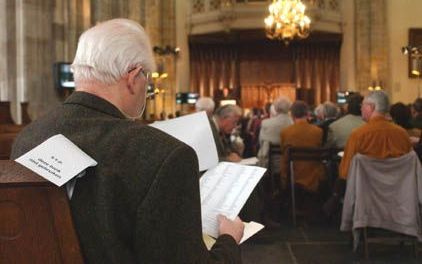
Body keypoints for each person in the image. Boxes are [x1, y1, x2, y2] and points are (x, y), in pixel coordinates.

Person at [11, 19, 244, 263]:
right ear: (133, 77)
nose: (147, 89)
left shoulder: (27, 138)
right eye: (148, 80)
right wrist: (229, 240)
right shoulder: (166, 155)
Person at [324, 91, 413, 217]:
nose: (361, 108)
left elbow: (345, 173)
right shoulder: (403, 135)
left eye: (363, 105)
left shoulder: (359, 135)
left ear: (370, 107)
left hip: (367, 194)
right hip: (397, 195)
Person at [280, 101, 324, 193]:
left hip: (293, 177)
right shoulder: (318, 132)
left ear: (291, 115)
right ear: (307, 114)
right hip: (314, 178)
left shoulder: (285, 132)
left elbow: (284, 157)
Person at [257, 96, 293, 169]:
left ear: (275, 108)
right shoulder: (293, 124)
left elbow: (261, 142)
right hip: (289, 162)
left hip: (270, 162)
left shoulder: (266, 123)